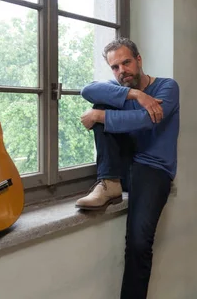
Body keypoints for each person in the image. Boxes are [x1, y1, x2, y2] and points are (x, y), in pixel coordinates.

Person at [76, 37, 180, 299]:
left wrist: (100, 116)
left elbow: (146, 120)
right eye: (115, 67)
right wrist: (135, 94)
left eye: (126, 62)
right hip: (124, 166)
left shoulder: (168, 87)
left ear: (139, 60)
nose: (122, 71)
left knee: (138, 243)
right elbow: (88, 90)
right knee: (100, 102)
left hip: (153, 169)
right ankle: (108, 183)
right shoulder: (121, 88)